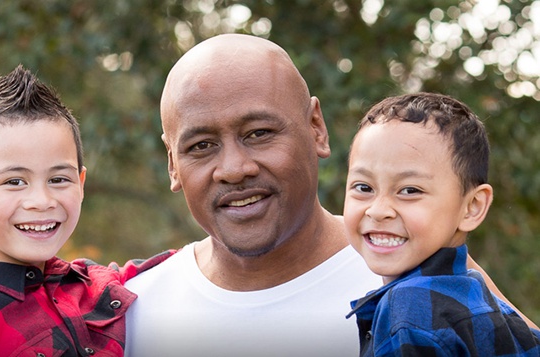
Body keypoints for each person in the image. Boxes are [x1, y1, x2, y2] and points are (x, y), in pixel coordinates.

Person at [124, 33, 538, 357]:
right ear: (172, 163)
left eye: (260, 133)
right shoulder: (128, 310)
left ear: (316, 128)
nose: (234, 168)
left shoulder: (423, 276)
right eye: (201, 146)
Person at [0, 65, 171, 357]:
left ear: (81, 183)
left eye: (58, 179)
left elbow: (190, 266)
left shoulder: (90, 286)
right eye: (14, 181)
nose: (41, 200)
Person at [344, 92, 540, 356]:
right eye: (364, 187)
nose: (378, 211)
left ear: (472, 207)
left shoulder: (410, 310)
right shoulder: (485, 303)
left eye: (410, 190)